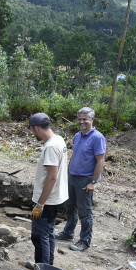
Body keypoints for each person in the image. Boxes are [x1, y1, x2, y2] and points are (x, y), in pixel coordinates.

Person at [19, 113, 68, 270]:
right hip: (55, 198)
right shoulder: (59, 139)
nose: (34, 134)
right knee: (48, 233)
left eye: (33, 131)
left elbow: (52, 177)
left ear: (36, 128)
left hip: (48, 200)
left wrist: (40, 203)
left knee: (39, 237)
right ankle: (46, 266)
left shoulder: (50, 147)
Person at [56, 107, 107, 252]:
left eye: (85, 119)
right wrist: (67, 174)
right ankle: (68, 233)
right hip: (73, 177)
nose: (82, 122)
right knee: (70, 207)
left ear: (92, 119)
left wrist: (93, 182)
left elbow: (100, 161)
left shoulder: (97, 138)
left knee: (85, 212)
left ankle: (84, 241)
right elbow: (75, 155)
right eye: (79, 119)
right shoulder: (78, 136)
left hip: (85, 180)